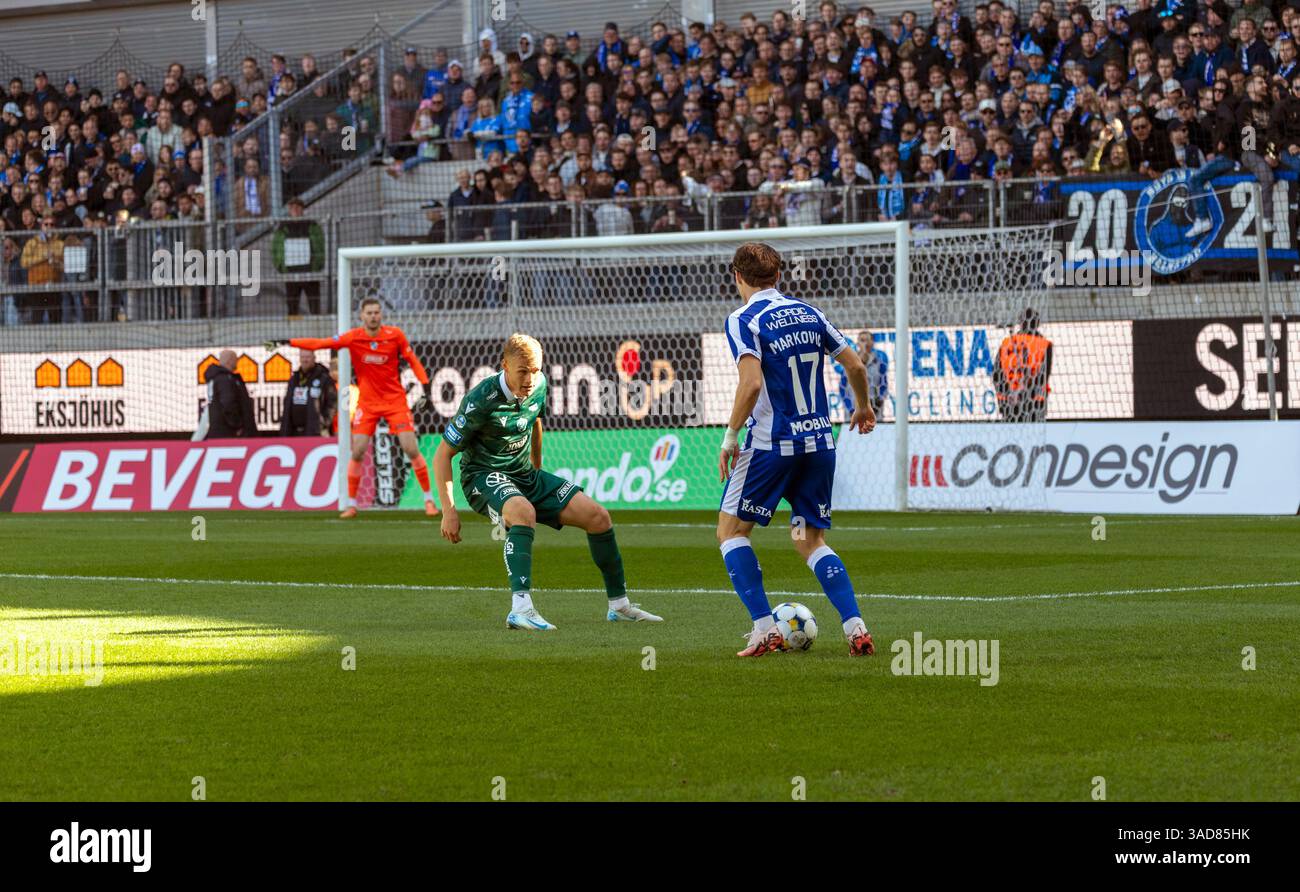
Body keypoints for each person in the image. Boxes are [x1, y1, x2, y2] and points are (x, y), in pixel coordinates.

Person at [434, 333, 663, 631]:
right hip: (482, 477)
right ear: (505, 365)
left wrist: (536, 469)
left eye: (536, 370)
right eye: (523, 371)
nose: (530, 378)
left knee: (598, 517)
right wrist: (448, 510)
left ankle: (619, 605)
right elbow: (442, 455)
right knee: (523, 513)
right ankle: (520, 609)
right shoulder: (481, 399)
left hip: (524, 475)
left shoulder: (538, 385)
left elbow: (535, 422)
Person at [716, 243, 878, 659]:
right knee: (809, 539)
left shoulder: (743, 319)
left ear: (738, 276)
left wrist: (730, 436)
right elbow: (856, 366)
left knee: (731, 533)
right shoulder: (810, 313)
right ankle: (855, 626)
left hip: (773, 445)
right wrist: (862, 406)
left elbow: (751, 384)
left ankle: (764, 629)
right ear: (778, 276)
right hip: (820, 443)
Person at [268, 297, 439, 518]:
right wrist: (287, 342)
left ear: (381, 315)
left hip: (394, 401)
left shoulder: (394, 335)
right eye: (369, 313)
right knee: (357, 451)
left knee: (410, 448)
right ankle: (351, 504)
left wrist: (425, 387)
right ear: (362, 315)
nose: (373, 316)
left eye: (377, 312)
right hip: (367, 404)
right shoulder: (353, 337)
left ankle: (429, 501)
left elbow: (413, 360)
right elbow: (321, 344)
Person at [994, 307, 1053, 422]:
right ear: (1037, 323)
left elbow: (997, 374)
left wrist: (1007, 394)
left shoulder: (1006, 344)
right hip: (1035, 403)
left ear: (1020, 323)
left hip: (1009, 403)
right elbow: (1044, 375)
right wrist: (1026, 395)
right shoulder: (1044, 345)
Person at [271, 197, 325, 315]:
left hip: (310, 273)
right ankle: (293, 331)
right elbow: (275, 250)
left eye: (298, 207)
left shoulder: (312, 226)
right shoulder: (282, 228)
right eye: (292, 207)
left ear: (302, 209)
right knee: (292, 307)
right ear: (289, 210)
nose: (295, 209)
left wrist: (316, 266)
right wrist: (281, 266)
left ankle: (316, 330)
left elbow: (320, 246)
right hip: (291, 274)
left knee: (314, 306)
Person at [279, 348, 337, 436]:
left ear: (314, 358)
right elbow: (287, 402)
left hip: (316, 432)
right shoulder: (294, 379)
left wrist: (323, 422)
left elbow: (333, 402)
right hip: (294, 432)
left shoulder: (324, 378)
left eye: (308, 357)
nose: (305, 360)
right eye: (302, 357)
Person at [204, 349, 257, 438]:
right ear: (229, 360)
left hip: (220, 431)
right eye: (235, 359)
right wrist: (237, 426)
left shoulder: (216, 378)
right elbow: (228, 403)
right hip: (228, 433)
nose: (237, 361)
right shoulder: (225, 379)